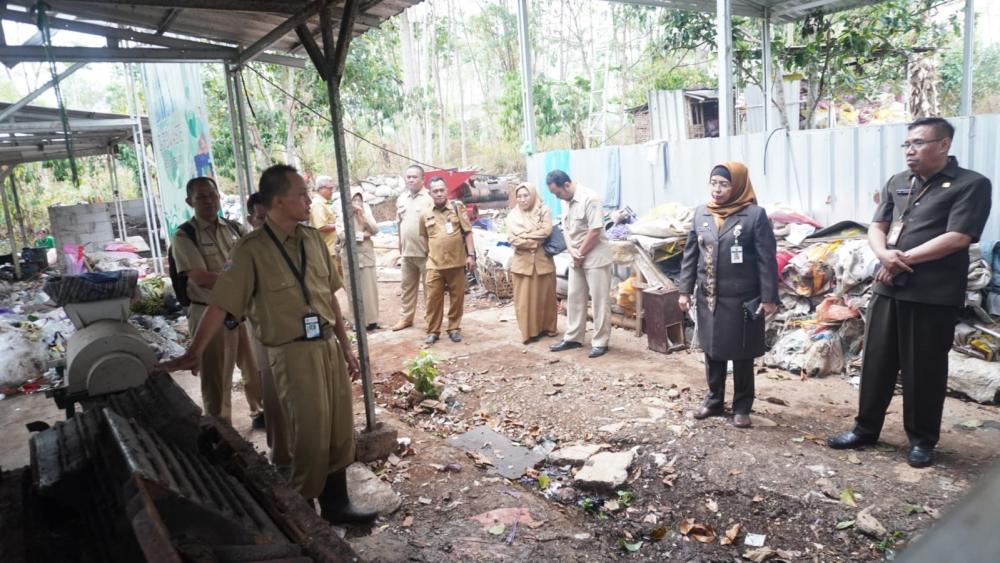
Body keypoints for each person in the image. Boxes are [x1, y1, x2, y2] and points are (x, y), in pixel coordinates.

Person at [161, 165, 376, 525]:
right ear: (278, 200)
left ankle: (337, 505)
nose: (309, 200)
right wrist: (194, 351)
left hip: (326, 347)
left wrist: (346, 347)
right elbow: (221, 303)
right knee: (309, 434)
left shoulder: (312, 239)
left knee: (339, 430)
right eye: (301, 194)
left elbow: (329, 297)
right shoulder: (251, 249)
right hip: (292, 353)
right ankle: (303, 517)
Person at [828, 117, 992, 468]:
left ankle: (922, 440)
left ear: (944, 145)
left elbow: (958, 237)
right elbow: (877, 226)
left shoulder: (971, 184)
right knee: (876, 362)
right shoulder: (898, 181)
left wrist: (901, 260)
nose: (910, 150)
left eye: (918, 143)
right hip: (888, 287)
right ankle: (865, 429)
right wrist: (883, 255)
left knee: (924, 369)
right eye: (907, 144)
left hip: (931, 294)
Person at [677, 162, 779, 429]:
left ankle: (742, 406)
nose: (717, 189)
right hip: (709, 297)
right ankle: (714, 400)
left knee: (742, 354)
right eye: (713, 183)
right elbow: (690, 255)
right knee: (712, 350)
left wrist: (769, 297)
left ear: (738, 186)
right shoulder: (702, 213)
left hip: (742, 299)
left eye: (724, 184)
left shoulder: (754, 215)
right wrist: (685, 290)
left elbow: (767, 259)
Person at [170, 177, 263, 425]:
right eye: (201, 197)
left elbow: (254, 263)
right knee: (216, 377)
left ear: (219, 197)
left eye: (212, 195)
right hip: (208, 313)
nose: (209, 201)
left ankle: (260, 411)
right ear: (190, 201)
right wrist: (240, 280)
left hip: (241, 311)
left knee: (254, 367)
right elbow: (200, 278)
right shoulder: (184, 235)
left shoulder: (234, 228)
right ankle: (220, 427)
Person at [245, 192, 291, 474]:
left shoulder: (291, 245)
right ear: (251, 220)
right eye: (261, 218)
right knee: (273, 392)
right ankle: (282, 456)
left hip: (293, 336)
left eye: (271, 217)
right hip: (265, 334)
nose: (267, 224)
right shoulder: (246, 251)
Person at [545, 170, 613, 358]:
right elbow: (566, 229)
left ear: (566, 185)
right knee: (574, 297)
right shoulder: (565, 200)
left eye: (558, 193)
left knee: (599, 301)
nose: (557, 197)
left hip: (595, 257)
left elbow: (595, 230)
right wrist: (572, 250)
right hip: (576, 257)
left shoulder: (590, 199)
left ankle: (600, 341)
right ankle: (573, 337)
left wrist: (580, 252)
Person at [419, 176, 475, 344]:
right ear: (430, 193)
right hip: (434, 264)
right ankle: (433, 331)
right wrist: (430, 252)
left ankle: (454, 328)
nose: (439, 193)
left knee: (457, 298)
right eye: (435, 191)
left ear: (447, 191)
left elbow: (468, 232)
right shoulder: (425, 213)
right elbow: (423, 236)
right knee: (433, 299)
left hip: (457, 263)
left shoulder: (457, 208)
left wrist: (471, 255)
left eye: (441, 190)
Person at [506, 182, 558, 344]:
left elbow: (547, 231)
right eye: (519, 196)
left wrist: (524, 235)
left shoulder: (543, 210)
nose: (522, 199)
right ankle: (529, 332)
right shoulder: (512, 216)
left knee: (546, 298)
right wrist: (533, 242)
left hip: (543, 262)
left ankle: (548, 328)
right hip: (522, 264)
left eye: (526, 195)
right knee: (524, 301)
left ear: (533, 195)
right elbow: (512, 239)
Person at [391, 164, 433, 331]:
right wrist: (399, 249)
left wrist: (433, 250)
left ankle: (431, 319)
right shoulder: (402, 199)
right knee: (407, 287)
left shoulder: (429, 198)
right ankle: (406, 318)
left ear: (423, 179)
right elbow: (399, 225)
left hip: (426, 252)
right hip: (407, 253)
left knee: (430, 289)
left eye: (414, 177)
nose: (411, 180)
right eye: (408, 177)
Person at [341, 187, 380, 331]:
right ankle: (357, 321)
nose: (357, 203)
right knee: (353, 291)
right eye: (354, 200)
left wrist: (363, 216)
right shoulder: (342, 212)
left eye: (359, 200)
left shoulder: (365, 211)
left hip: (366, 256)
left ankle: (372, 320)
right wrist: (362, 235)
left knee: (369, 290)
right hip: (350, 257)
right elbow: (342, 234)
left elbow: (375, 229)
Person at [309, 175, 343, 280]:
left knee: (341, 278)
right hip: (328, 250)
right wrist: (339, 225)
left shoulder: (324, 203)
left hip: (333, 248)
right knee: (333, 280)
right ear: (321, 188)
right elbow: (321, 227)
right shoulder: (318, 204)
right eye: (330, 188)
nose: (332, 191)